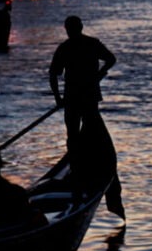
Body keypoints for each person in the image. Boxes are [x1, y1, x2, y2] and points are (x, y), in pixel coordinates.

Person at [49, 16, 116, 153]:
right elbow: (111, 59)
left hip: (74, 97)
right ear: (81, 27)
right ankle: (84, 159)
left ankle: (78, 160)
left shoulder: (65, 48)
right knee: (88, 131)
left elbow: (53, 75)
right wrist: (99, 74)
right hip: (86, 96)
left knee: (75, 134)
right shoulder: (91, 44)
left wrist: (58, 98)